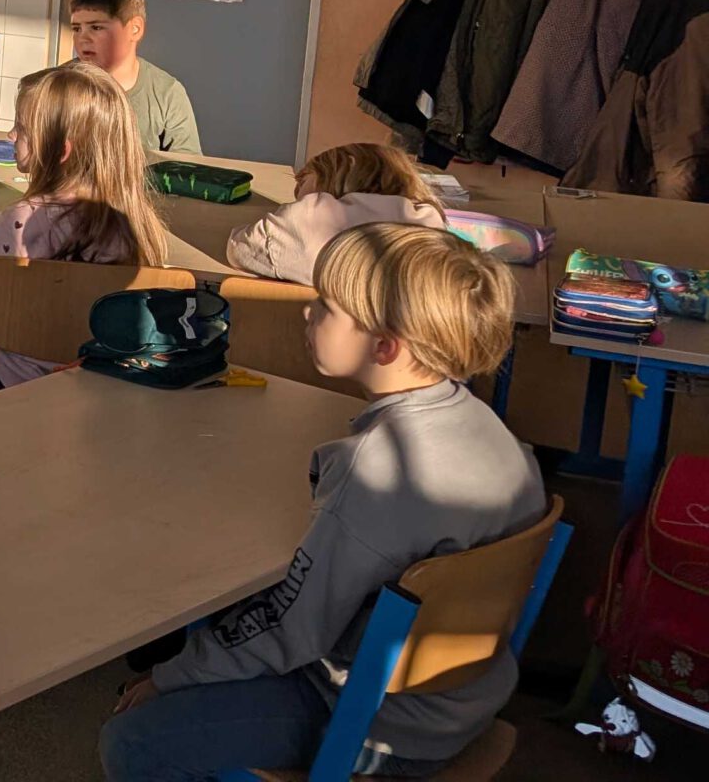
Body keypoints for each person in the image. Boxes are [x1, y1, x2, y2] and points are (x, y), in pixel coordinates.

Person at [100, 223, 542, 781]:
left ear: (386, 346)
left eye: (327, 306)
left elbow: (293, 629)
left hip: (371, 723)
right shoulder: (496, 433)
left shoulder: (375, 470)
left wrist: (168, 678)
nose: (308, 312)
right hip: (460, 704)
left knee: (132, 742)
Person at [0, 62, 172, 404]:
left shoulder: (18, 221)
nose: (11, 136)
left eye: (21, 127)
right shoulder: (142, 225)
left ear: (60, 150)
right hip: (104, 383)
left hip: (17, 380)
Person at [226, 142, 445, 285]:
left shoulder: (308, 218)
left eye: (303, 180)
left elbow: (240, 249)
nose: (297, 192)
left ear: (336, 175)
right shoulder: (430, 221)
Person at [69, 0, 200, 153]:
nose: (83, 38)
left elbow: (186, 164)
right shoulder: (52, 86)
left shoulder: (167, 92)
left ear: (135, 29)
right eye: (76, 29)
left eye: (96, 27)